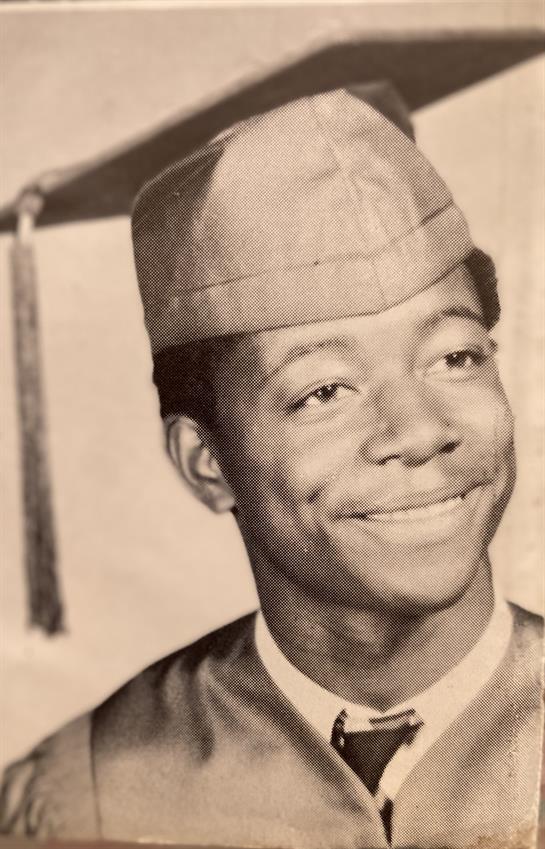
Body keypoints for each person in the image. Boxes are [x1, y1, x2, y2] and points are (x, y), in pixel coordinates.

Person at [0, 88, 542, 848]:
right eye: (324, 392)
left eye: (454, 357)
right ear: (207, 463)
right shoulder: (92, 793)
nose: (420, 432)